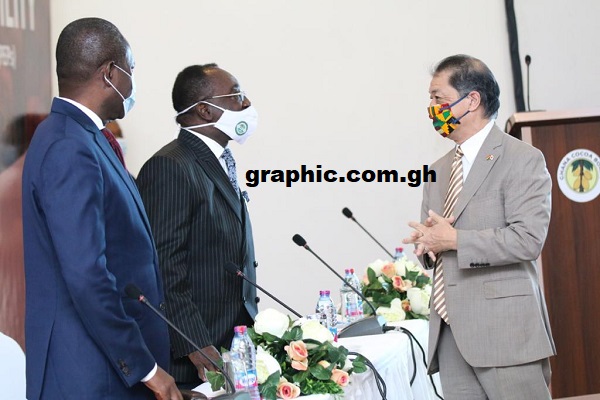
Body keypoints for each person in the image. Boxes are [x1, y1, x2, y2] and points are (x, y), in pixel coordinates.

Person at [21, 18, 182, 400]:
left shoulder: (85, 138)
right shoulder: (68, 147)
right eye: (131, 71)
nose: (131, 83)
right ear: (109, 73)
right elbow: (86, 275)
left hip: (105, 369)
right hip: (90, 375)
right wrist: (145, 368)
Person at [402, 54, 555, 399]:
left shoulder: (522, 159)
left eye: (438, 99)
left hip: (505, 331)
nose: (431, 108)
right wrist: (427, 246)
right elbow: (436, 244)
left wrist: (454, 239)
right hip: (450, 335)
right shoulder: (438, 169)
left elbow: (528, 240)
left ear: (471, 100)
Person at [136, 64, 259, 388]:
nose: (246, 105)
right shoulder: (171, 165)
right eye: (237, 95)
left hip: (232, 344)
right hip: (195, 357)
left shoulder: (218, 159)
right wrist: (194, 344)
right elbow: (164, 265)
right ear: (205, 110)